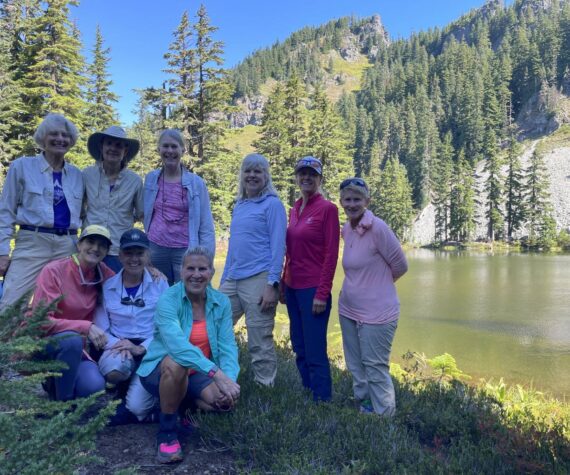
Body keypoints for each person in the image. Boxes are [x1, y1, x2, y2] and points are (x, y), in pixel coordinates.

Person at [137, 246, 240, 464]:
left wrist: (228, 381)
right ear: (182, 271)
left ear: (211, 272)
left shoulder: (221, 302)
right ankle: (166, 433)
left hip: (197, 373)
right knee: (177, 364)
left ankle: (181, 407)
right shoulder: (168, 299)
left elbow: (228, 346)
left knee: (224, 403)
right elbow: (178, 347)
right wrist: (216, 374)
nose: (196, 274)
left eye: (202, 269)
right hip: (162, 369)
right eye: (190, 268)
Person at [338, 177, 408, 416]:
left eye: (357, 199)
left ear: (367, 200)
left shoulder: (378, 228)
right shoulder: (346, 229)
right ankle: (365, 407)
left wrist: (378, 287)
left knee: (375, 366)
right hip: (348, 309)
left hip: (378, 313)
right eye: (347, 199)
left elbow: (400, 265)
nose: (352, 204)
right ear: (341, 202)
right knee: (356, 365)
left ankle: (385, 417)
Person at [0, 113, 84, 310]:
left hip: (68, 244)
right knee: (13, 302)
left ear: (71, 141)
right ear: (42, 138)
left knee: (63, 303)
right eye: (54, 134)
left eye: (65, 135)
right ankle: (6, 340)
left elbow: (85, 214)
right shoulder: (22, 166)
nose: (60, 139)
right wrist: (2, 252)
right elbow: (6, 212)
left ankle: (55, 340)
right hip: (32, 242)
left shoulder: (77, 174)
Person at [219, 154, 286, 387]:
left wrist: (272, 285)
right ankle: (219, 379)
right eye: (248, 171)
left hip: (259, 279)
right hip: (232, 279)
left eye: (258, 171)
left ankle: (264, 387)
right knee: (216, 327)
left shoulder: (272, 204)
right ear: (242, 175)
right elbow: (233, 248)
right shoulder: (240, 205)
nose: (252, 175)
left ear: (266, 176)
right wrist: (224, 279)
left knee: (259, 338)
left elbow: (279, 247)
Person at [31, 225, 115, 401]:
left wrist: (150, 271)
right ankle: (62, 407)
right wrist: (85, 327)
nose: (95, 248)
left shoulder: (104, 273)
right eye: (90, 242)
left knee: (93, 386)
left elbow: (128, 281)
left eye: (102, 245)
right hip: (45, 343)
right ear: (79, 244)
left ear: (107, 251)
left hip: (79, 351)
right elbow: (40, 322)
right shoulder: (54, 270)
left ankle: (57, 382)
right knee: (71, 339)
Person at [94, 229, 168, 423]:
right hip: (120, 346)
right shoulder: (108, 286)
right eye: (128, 253)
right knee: (113, 369)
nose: (134, 259)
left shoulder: (160, 283)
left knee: (137, 409)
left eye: (139, 253)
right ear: (119, 255)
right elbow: (102, 327)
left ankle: (143, 396)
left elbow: (167, 325)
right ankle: (123, 386)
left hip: (150, 347)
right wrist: (119, 344)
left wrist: (141, 348)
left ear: (148, 256)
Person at [281, 156, 340, 402]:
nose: (306, 178)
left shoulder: (328, 209)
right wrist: (284, 283)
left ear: (320, 179)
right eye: (302, 173)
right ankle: (308, 394)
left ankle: (322, 402)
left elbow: (331, 254)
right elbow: (291, 251)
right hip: (293, 289)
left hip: (313, 289)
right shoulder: (295, 208)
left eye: (312, 174)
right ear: (297, 177)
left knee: (315, 351)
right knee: (299, 347)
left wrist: (322, 293)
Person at [143, 129, 215, 285]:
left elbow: (206, 225)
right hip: (155, 248)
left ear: (183, 150)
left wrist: (208, 261)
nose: (170, 151)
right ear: (159, 149)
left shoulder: (196, 183)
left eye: (174, 146)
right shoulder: (151, 179)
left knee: (186, 294)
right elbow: (145, 212)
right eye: (165, 146)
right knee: (158, 293)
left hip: (185, 250)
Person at [83, 126, 143, 272]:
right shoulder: (86, 175)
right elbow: (77, 208)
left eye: (118, 145)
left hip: (118, 250)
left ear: (125, 151)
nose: (113, 149)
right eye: (109, 143)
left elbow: (142, 214)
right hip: (89, 248)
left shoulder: (135, 181)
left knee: (115, 293)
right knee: (84, 292)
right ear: (101, 146)